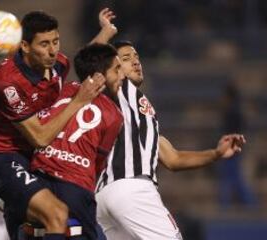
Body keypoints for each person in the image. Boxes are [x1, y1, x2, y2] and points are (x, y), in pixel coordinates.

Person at [95, 40, 246, 240]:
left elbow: (173, 159)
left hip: (104, 197)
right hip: (131, 188)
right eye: (125, 58)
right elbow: (93, 63)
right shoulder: (118, 89)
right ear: (113, 68)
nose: (135, 62)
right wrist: (105, 34)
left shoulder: (142, 117)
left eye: (137, 57)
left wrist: (215, 153)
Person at [0, 10, 108, 240]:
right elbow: (40, 137)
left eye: (56, 41)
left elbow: (82, 61)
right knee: (56, 214)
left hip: (36, 164)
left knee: (67, 220)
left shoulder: (56, 64)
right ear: (25, 46)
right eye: (44, 44)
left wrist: (106, 32)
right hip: (2, 163)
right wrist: (79, 100)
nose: (52, 50)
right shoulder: (8, 83)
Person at [28, 43, 124, 240]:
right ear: (100, 75)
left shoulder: (61, 90)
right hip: (75, 186)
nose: (122, 76)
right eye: (117, 69)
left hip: (37, 179)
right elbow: (98, 162)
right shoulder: (114, 115)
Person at [217, 83, 257, 208]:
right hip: (235, 149)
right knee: (233, 179)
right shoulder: (237, 111)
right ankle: (249, 204)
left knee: (231, 179)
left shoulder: (231, 112)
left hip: (231, 150)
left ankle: (247, 204)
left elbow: (232, 133)